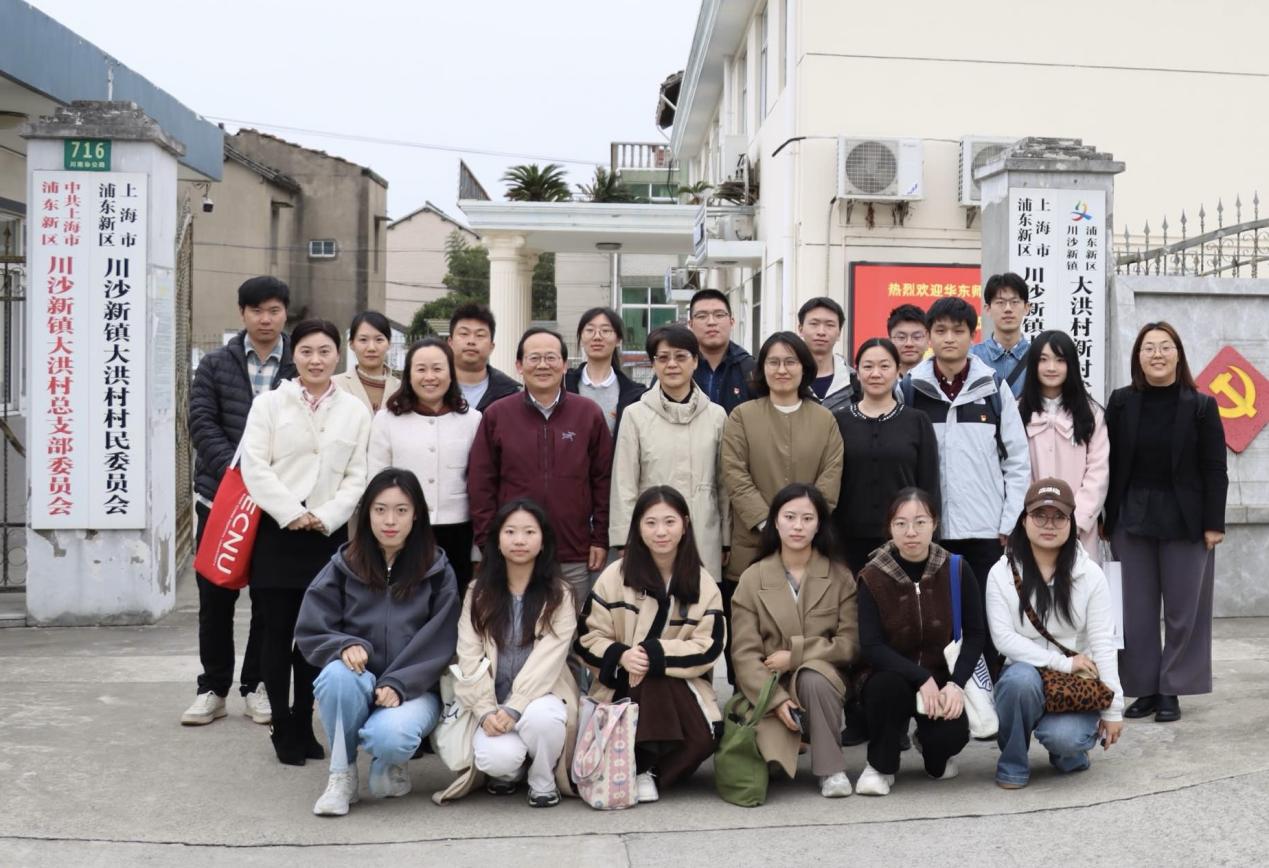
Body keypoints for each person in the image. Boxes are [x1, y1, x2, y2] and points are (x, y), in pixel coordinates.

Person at [240, 318, 371, 765]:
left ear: (338, 355)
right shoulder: (269, 405)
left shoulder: (354, 410)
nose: (316, 360)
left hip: (326, 538)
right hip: (277, 533)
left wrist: (326, 516)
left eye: (325, 351)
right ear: (293, 355)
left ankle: (303, 718)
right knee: (276, 633)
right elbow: (254, 467)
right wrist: (292, 512)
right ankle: (280, 721)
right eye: (307, 351)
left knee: (316, 635)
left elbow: (358, 474)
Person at [295, 468, 460, 816]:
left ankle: (388, 760)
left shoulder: (436, 569)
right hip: (359, 681)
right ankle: (342, 774)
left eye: (401, 510)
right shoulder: (344, 565)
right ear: (366, 512)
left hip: (414, 690)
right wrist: (343, 645)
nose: (390, 520)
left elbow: (442, 640)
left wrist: (400, 683)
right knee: (336, 676)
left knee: (391, 738)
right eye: (380, 509)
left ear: (416, 514)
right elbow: (311, 627)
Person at [183, 275, 295, 727]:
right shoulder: (215, 365)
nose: (265, 319)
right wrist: (240, 474)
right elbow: (201, 422)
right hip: (220, 498)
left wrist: (270, 482)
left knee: (269, 601)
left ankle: (258, 686)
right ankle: (212, 688)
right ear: (242, 313)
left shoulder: (301, 365)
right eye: (256, 310)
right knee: (216, 598)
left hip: (278, 505)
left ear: (285, 313)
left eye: (274, 310)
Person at [1104, 322, 1228, 723]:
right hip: (1131, 516)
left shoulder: (1201, 406)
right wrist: (1106, 515)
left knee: (1183, 610)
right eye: (1148, 348)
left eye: (1165, 347)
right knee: (1135, 611)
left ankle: (1172, 687)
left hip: (1186, 520)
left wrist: (1214, 523)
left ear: (1178, 354)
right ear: (1138, 357)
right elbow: (1108, 462)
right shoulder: (1121, 402)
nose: (1157, 354)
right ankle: (1144, 688)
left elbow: (1215, 468)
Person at [576, 486, 726, 802]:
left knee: (703, 738)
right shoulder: (615, 576)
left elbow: (710, 645)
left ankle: (646, 769)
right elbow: (587, 637)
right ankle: (643, 767)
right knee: (647, 676)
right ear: (638, 527)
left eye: (670, 522)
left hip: (683, 684)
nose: (661, 532)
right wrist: (621, 656)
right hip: (622, 684)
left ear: (685, 525)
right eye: (651, 523)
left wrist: (655, 654)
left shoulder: (702, 582)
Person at [901, 297, 1029, 664]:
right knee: (932, 618)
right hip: (929, 530)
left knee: (984, 618)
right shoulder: (910, 389)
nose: (949, 338)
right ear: (929, 336)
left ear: (972, 335)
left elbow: (1017, 460)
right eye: (940, 330)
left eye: (958, 331)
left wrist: (1009, 521)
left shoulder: (993, 388)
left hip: (985, 530)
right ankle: (940, 688)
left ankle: (985, 688)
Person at [435, 499, 578, 808]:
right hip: (493, 700)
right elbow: (468, 656)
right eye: (510, 531)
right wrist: (486, 710)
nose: (519, 540)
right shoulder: (478, 592)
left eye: (529, 532)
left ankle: (542, 778)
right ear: (497, 541)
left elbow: (548, 660)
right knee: (497, 759)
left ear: (543, 541)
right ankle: (512, 772)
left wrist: (516, 706)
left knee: (543, 721)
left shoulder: (560, 594)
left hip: (542, 696)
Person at [721, 332, 844, 682]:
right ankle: (750, 702)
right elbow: (734, 474)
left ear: (804, 368)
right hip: (754, 542)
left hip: (810, 545)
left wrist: (803, 525)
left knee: (808, 630)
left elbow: (831, 476)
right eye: (773, 362)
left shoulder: (824, 419)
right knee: (750, 635)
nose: (782, 369)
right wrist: (768, 525)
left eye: (791, 361)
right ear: (761, 369)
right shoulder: (742, 416)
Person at [987, 478, 1123, 790]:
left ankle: (1070, 754)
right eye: (1039, 515)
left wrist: (1113, 708)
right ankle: (1012, 764)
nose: (1049, 525)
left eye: (1059, 517)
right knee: (1019, 682)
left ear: (1071, 523)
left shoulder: (1090, 574)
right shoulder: (1001, 573)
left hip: (1075, 682)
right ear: (1024, 520)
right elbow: (1003, 639)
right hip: (1025, 674)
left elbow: (1104, 642)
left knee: (1065, 740)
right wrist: (1062, 662)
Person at [468, 327, 613, 613]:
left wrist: (600, 537)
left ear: (565, 364)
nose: (543, 365)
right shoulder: (497, 414)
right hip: (514, 551)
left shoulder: (588, 413)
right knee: (515, 627)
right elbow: (481, 484)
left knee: (572, 629)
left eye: (551, 357)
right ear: (519, 365)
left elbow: (604, 480)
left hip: (574, 552)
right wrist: (488, 543)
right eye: (534, 358)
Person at [730, 484, 859, 798]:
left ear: (819, 525)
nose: (798, 526)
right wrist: (775, 700)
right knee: (771, 770)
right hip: (769, 686)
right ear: (775, 521)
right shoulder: (752, 578)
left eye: (807, 518)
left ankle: (831, 770)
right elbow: (744, 655)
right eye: (789, 517)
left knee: (814, 677)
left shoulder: (840, 577)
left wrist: (796, 656)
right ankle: (783, 737)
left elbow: (849, 645)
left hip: (824, 681)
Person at [853, 488, 985, 796]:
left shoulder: (956, 568)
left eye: (920, 522)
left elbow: (975, 634)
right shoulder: (873, 575)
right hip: (891, 675)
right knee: (886, 690)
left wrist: (956, 684)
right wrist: (920, 677)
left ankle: (930, 747)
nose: (910, 532)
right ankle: (881, 765)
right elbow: (871, 645)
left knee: (946, 749)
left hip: (942, 677)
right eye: (900, 523)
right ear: (890, 527)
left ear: (934, 524)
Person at [610, 325, 729, 583]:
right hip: (652, 532)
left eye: (681, 356)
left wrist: (726, 540)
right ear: (653, 364)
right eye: (663, 358)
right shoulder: (635, 415)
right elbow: (624, 482)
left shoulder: (716, 416)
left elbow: (723, 484)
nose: (672, 364)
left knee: (700, 600)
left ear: (695, 361)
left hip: (704, 532)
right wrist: (623, 538)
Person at [370, 338, 482, 595]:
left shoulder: (473, 420)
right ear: (408, 375)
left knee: (452, 603)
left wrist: (478, 550)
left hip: (458, 532)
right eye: (421, 369)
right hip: (402, 531)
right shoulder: (387, 420)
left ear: (451, 374)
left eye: (438, 369)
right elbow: (376, 482)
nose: (429, 377)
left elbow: (479, 486)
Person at [833, 338, 940, 575]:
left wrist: (929, 535)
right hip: (848, 540)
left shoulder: (917, 421)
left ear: (897, 370)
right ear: (857, 371)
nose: (876, 374)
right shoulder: (839, 421)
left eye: (884, 366)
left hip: (905, 538)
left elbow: (929, 484)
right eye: (868, 366)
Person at [1016, 330, 1109, 562]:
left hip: (1078, 530)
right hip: (1030, 526)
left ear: (1071, 365)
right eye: (1043, 360)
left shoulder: (1091, 413)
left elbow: (1098, 472)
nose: (1051, 368)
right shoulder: (1017, 411)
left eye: (1060, 360)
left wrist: (1075, 520)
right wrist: (1030, 517)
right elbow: (1012, 469)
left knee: (1077, 580)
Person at [564, 307, 646, 437]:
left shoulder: (635, 394)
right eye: (590, 330)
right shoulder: (562, 384)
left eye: (606, 331)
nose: (597, 337)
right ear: (581, 338)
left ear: (618, 340)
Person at [687, 288, 755, 415]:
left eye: (719, 315)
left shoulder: (749, 368)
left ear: (732, 322)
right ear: (691, 324)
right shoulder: (679, 365)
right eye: (702, 316)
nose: (711, 322)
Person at [447, 302, 521, 411]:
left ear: (491, 346)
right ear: (450, 342)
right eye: (464, 334)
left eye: (480, 335)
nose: (471, 341)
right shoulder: (432, 387)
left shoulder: (510, 393)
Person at [971, 272, 1031, 397]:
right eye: (1000, 302)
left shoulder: (1038, 357)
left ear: (1026, 308)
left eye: (1015, 302)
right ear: (987, 309)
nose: (1008, 309)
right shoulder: (972, 357)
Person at [332, 310, 401, 415]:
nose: (371, 348)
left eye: (379, 340)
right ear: (351, 344)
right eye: (363, 340)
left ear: (389, 344)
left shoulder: (401, 389)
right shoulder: (334, 386)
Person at [796, 296, 858, 411]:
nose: (821, 332)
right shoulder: (787, 378)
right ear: (800, 329)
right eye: (814, 324)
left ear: (839, 333)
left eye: (829, 325)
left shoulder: (855, 382)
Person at [887, 304, 929, 377]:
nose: (909, 344)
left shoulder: (940, 380)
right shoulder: (880, 380)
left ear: (928, 340)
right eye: (901, 337)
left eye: (916, 337)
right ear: (890, 341)